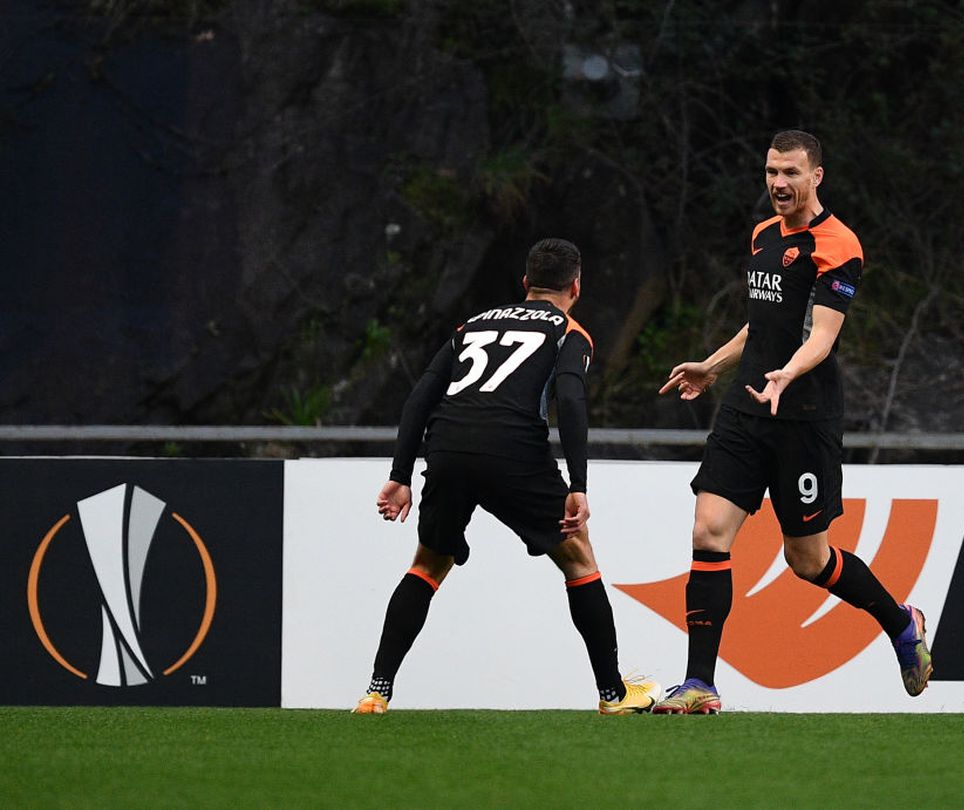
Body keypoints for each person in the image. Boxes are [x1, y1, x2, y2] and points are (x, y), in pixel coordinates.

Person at [654, 130, 932, 713]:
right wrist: (712, 365)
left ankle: (899, 621)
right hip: (745, 408)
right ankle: (699, 683)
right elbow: (760, 327)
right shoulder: (761, 235)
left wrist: (786, 374)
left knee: (807, 561)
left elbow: (821, 338)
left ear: (817, 177)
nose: (779, 184)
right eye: (771, 172)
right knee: (708, 530)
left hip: (803, 418)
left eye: (791, 174)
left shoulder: (838, 244)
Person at [354, 237, 661, 715]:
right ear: (576, 286)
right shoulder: (568, 332)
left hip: (449, 447)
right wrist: (578, 483)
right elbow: (572, 401)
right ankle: (613, 695)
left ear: (525, 284)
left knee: (427, 565)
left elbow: (420, 397)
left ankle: (376, 691)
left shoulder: (470, 326)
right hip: (513, 450)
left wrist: (401, 474)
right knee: (579, 561)